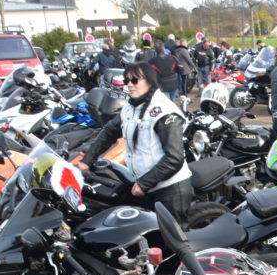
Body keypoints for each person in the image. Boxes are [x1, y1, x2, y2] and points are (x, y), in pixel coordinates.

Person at [78, 62, 193, 224]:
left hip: (170, 189)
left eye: (135, 80)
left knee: (173, 237)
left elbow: (174, 158)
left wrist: (144, 184)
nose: (130, 85)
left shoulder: (164, 111)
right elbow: (108, 132)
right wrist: (88, 160)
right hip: (145, 186)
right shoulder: (131, 107)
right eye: (126, 81)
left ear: (149, 81)